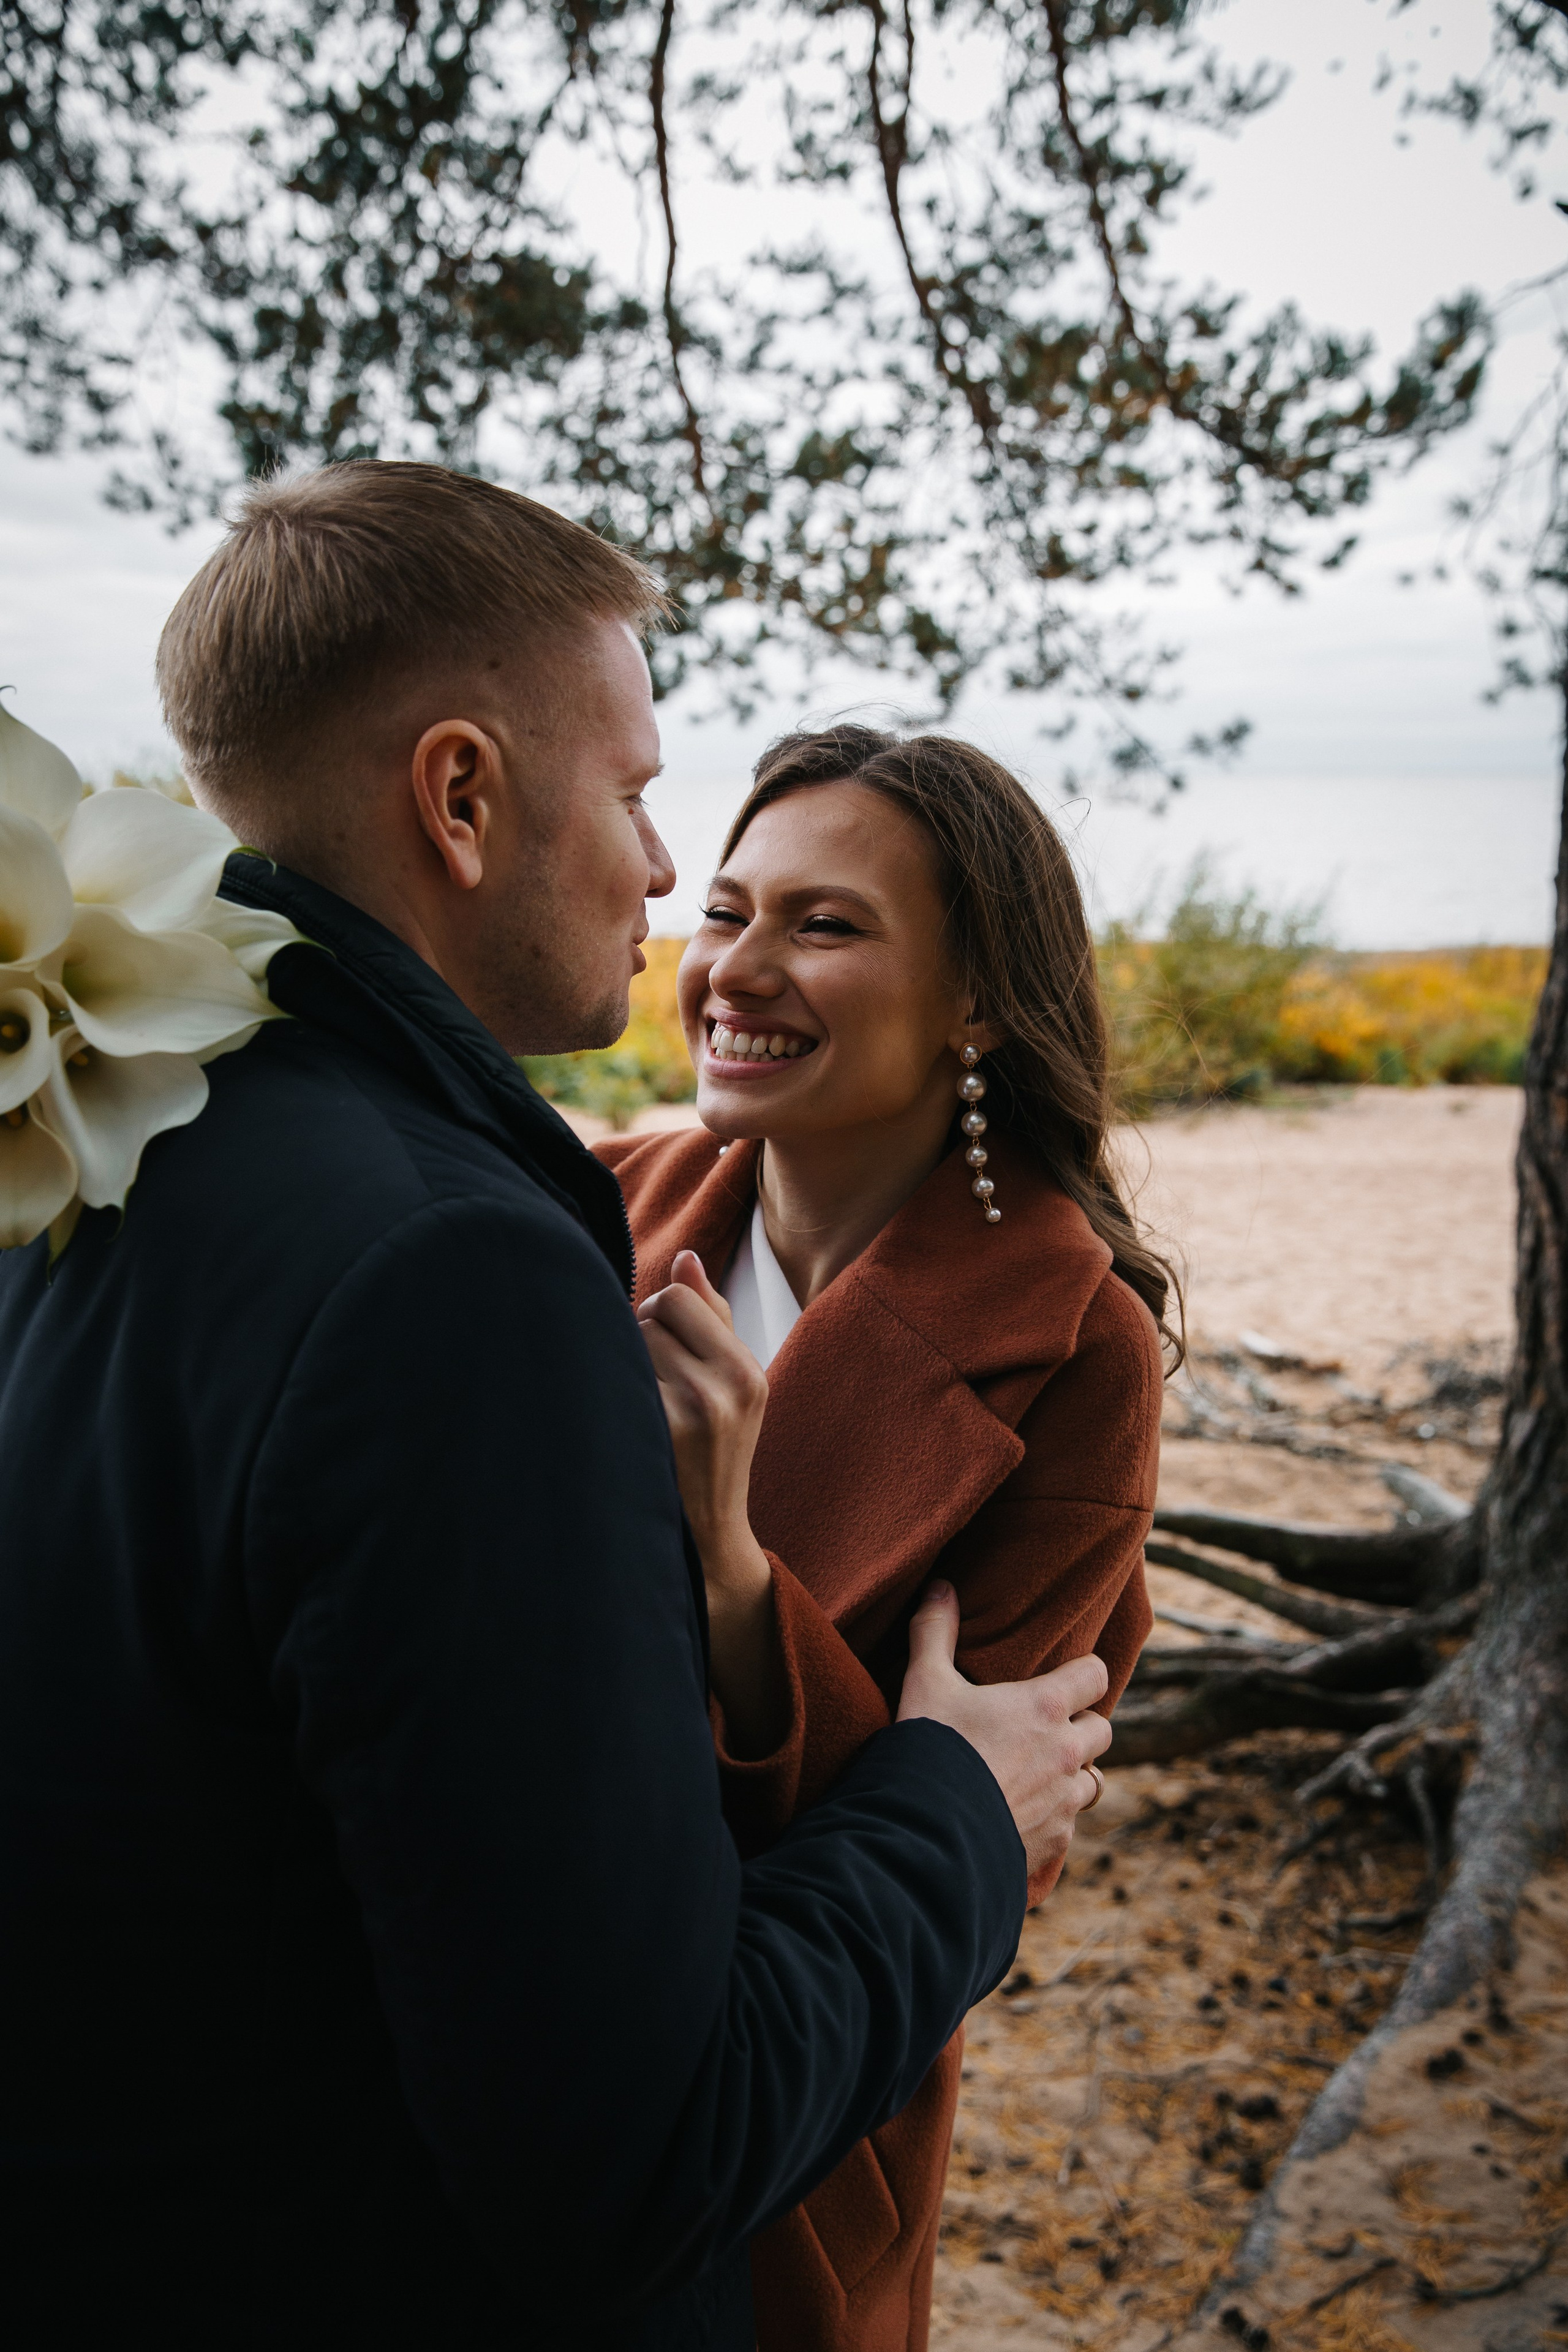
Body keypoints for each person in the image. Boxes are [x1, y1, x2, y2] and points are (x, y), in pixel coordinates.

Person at [0, 464, 1115, 2352]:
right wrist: (956, 1813)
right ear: (460, 797)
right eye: (636, 795)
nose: (668, 879)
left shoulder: (104, 1149)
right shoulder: (460, 1263)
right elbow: (632, 2152)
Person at [601, 725, 1172, 2352]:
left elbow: (979, 1820)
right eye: (725, 911)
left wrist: (733, 1580)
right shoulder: (593, 1208)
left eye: (825, 925)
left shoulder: (1077, 1343)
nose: (734, 969)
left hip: (808, 2084)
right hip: (533, 2007)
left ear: (977, 1001)